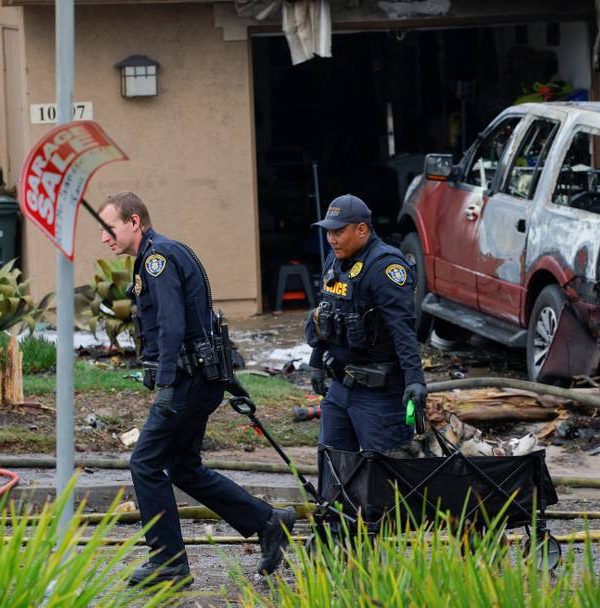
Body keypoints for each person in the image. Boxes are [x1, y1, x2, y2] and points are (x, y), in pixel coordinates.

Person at [98, 192, 296, 586]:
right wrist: (228, 382)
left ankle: (169, 563)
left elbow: (173, 325)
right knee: (184, 468)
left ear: (134, 222)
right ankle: (268, 520)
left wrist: (167, 383)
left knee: (144, 462)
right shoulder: (162, 253)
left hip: (187, 383)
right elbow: (202, 323)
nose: (105, 238)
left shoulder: (157, 260)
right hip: (198, 380)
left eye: (110, 227)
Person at [305, 194, 427, 465]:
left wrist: (415, 381)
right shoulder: (335, 261)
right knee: (333, 471)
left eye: (338, 232)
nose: (332, 239)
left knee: (386, 478)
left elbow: (403, 330)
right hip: (338, 388)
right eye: (328, 233)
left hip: (379, 395)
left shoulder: (386, 267)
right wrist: (316, 363)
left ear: (361, 229)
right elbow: (325, 316)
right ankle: (335, 509)